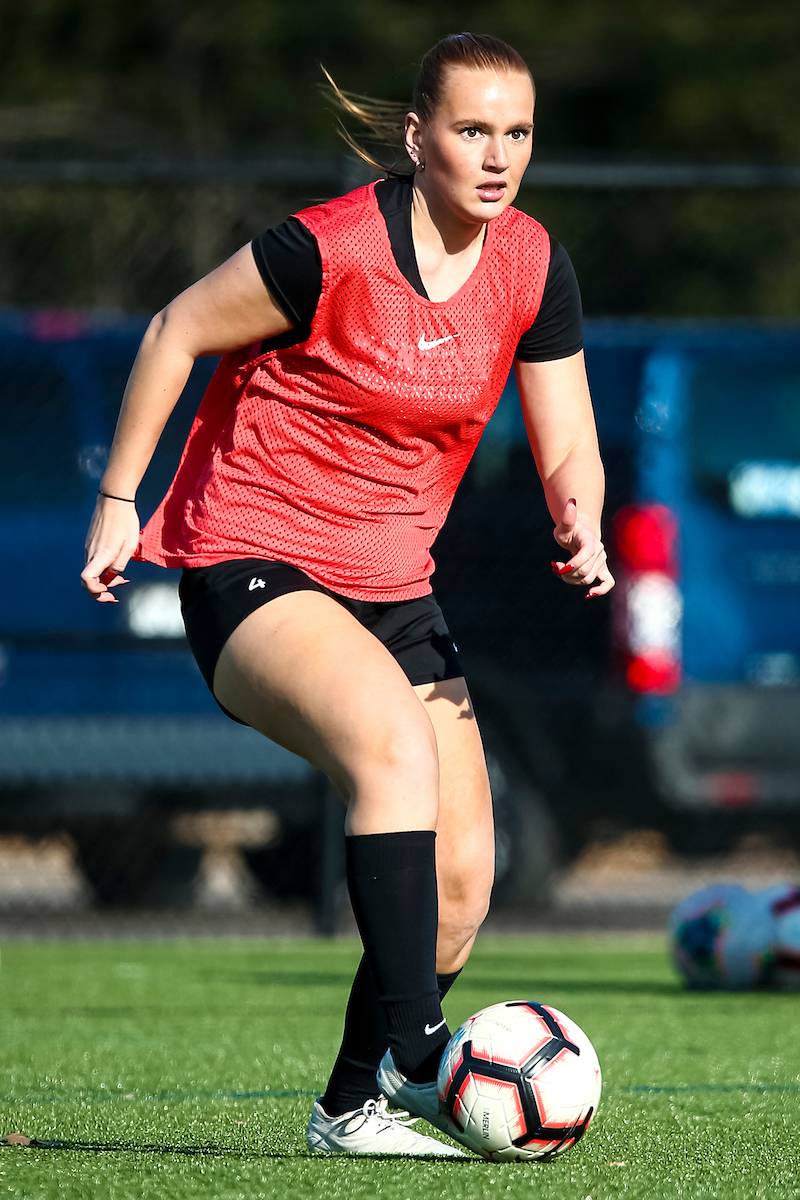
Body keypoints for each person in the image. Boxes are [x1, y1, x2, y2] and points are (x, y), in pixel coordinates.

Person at [81, 32, 614, 1157]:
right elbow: (174, 327)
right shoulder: (324, 250)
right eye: (472, 130)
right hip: (250, 561)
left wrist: (580, 514)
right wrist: (121, 497)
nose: (496, 154)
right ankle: (425, 1061)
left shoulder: (529, 263)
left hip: (390, 586)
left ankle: (348, 1107)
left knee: (464, 878)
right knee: (391, 749)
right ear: (418, 136)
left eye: (516, 132)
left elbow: (566, 435)